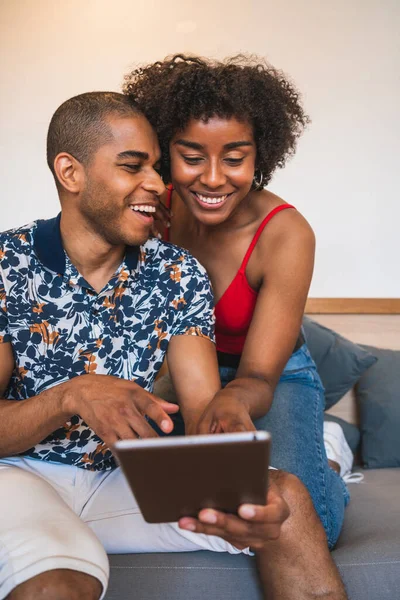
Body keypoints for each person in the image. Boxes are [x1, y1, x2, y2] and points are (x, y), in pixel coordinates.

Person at [0, 91, 342, 600]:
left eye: (157, 167)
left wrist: (233, 473)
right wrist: (71, 395)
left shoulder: (176, 271)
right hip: (22, 474)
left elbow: (203, 406)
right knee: (57, 587)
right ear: (70, 173)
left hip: (126, 474)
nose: (159, 186)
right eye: (133, 166)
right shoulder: (9, 264)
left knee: (286, 500)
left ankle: (329, 451)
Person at [124, 54, 353, 594]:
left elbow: (257, 377)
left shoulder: (286, 234)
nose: (211, 178)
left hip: (272, 375)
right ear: (163, 152)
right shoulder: (155, 210)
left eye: (234, 158)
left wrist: (233, 400)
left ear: (260, 154)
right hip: (183, 370)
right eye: (190, 157)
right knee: (180, 499)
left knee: (308, 524)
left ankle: (331, 457)